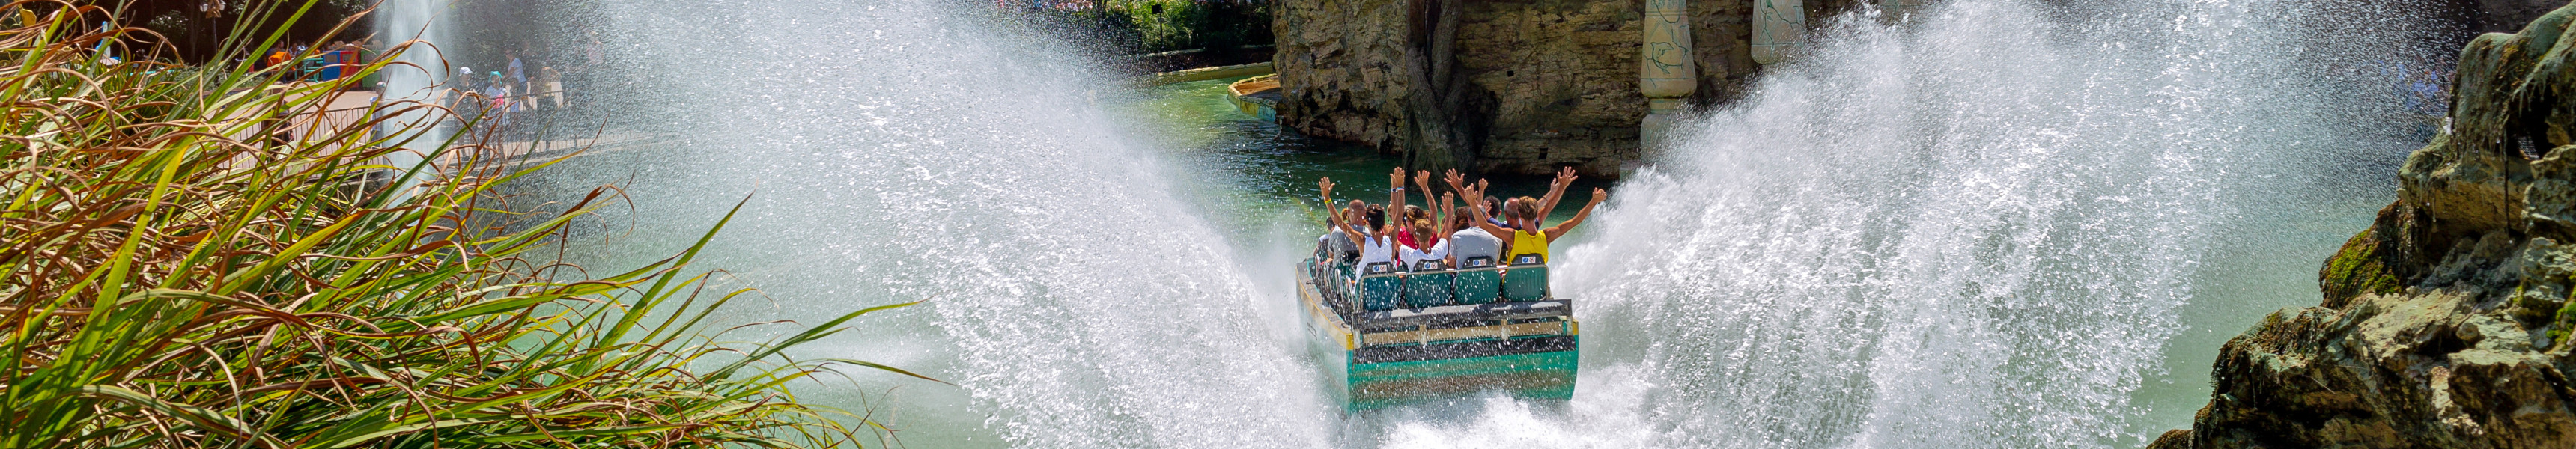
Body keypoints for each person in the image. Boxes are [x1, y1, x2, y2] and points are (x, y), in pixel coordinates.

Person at [1453, 168, 1609, 266]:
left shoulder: (1512, 236)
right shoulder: (1547, 235)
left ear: (1520, 214)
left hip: (1514, 292)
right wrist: (1593, 201)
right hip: (1538, 290)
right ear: (1536, 213)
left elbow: (1484, 225)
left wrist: (1473, 201)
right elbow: (1575, 221)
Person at [1321, 168, 1415, 273]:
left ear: (1367, 222)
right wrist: (1400, 187)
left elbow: (1340, 223)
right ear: (1383, 221)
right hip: (1388, 288)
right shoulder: (1391, 239)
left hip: (1366, 288)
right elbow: (1400, 212)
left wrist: (1327, 198)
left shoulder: (1363, 241)